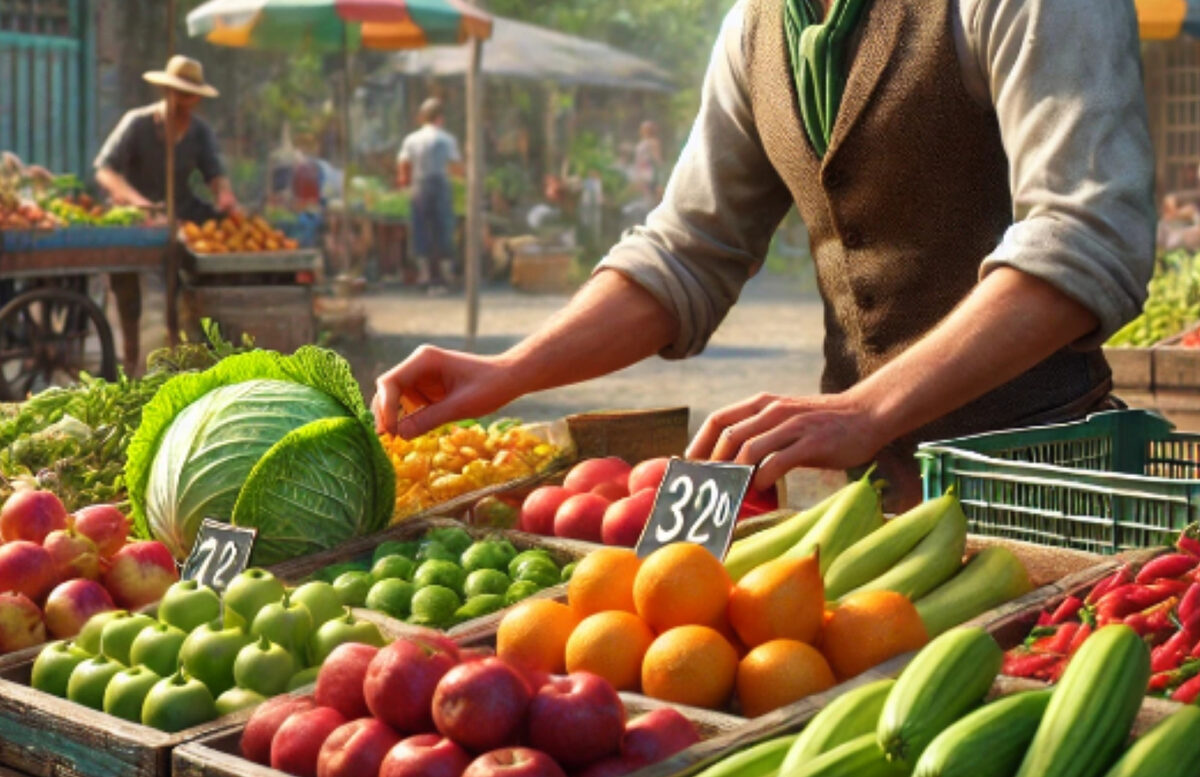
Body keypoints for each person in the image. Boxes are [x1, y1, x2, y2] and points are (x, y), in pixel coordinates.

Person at [373, 0, 1155, 511]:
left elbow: (1088, 233)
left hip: (1052, 484)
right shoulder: (758, 26)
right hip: (877, 502)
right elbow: (687, 249)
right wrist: (510, 370)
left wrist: (866, 407)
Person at [94, 55, 238, 373]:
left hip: (182, 214)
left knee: (185, 290)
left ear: (198, 98)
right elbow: (105, 171)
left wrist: (224, 194)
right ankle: (130, 359)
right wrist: (138, 202)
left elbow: (215, 173)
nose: (185, 102)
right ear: (167, 92)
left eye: (191, 96)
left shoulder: (200, 132)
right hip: (135, 220)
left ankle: (185, 355)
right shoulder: (138, 123)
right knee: (129, 297)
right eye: (179, 94)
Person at [397, 97, 464, 292]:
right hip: (441, 185)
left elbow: (403, 166)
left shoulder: (411, 139)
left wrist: (404, 183)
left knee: (421, 228)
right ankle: (446, 274)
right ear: (440, 118)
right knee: (443, 227)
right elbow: (456, 167)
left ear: (422, 117)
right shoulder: (447, 139)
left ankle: (424, 274)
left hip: (419, 186)